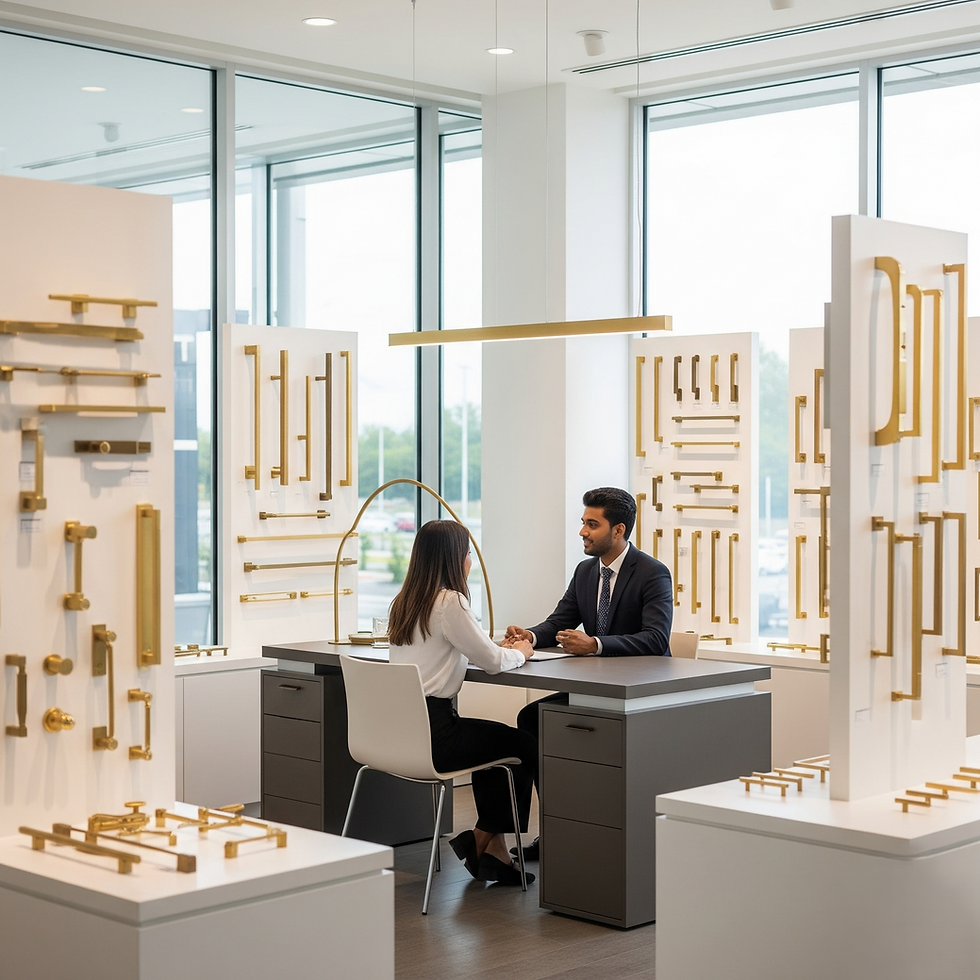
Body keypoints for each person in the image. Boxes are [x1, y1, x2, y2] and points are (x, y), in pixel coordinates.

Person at [502, 486, 673, 861]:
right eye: (583, 523)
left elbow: (656, 638)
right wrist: (529, 636)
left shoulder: (652, 573)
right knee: (532, 719)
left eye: (592, 524)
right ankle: (558, 829)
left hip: (638, 694)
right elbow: (558, 622)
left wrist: (595, 644)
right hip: (595, 689)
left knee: (542, 721)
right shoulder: (584, 571)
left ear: (618, 530)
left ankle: (588, 831)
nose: (582, 531)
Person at [388, 519, 537, 886]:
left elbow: (455, 650)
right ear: (455, 559)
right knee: (522, 744)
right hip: (437, 736)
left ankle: (491, 847)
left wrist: (491, 649)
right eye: (468, 553)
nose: (470, 560)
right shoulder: (450, 601)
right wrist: (521, 651)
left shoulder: (405, 602)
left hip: (401, 735)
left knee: (496, 748)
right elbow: (492, 662)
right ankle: (483, 839)